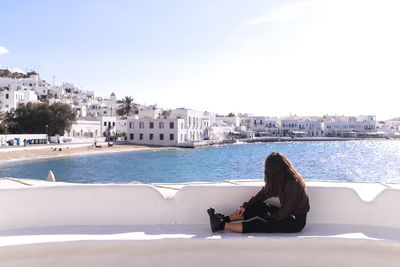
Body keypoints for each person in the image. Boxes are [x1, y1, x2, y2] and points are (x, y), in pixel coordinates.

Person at [207, 152, 310, 234]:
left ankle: (220, 225)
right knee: (259, 206)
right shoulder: (280, 180)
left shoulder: (292, 184)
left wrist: (270, 217)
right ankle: (223, 219)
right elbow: (262, 195)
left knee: (259, 223)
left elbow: (286, 210)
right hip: (287, 215)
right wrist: (245, 206)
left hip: (295, 222)